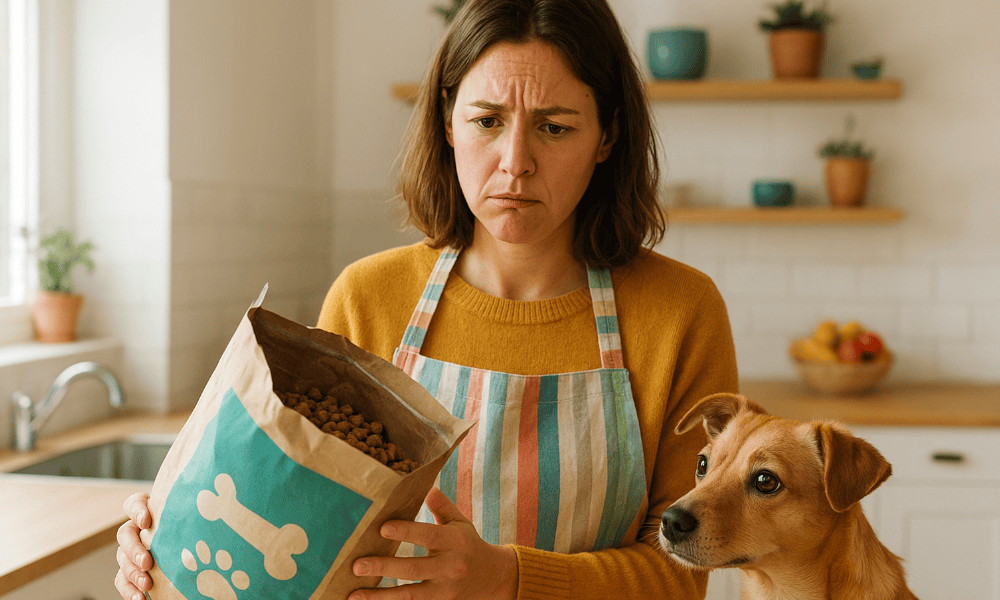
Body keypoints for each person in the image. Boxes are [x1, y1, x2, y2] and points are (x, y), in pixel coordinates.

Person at [114, 0, 739, 599]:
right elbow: (292, 532)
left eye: (554, 127)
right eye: (487, 121)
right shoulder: (368, 298)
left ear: (607, 136)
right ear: (447, 121)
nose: (515, 162)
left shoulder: (681, 313)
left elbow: (684, 572)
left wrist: (509, 580)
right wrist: (172, 539)